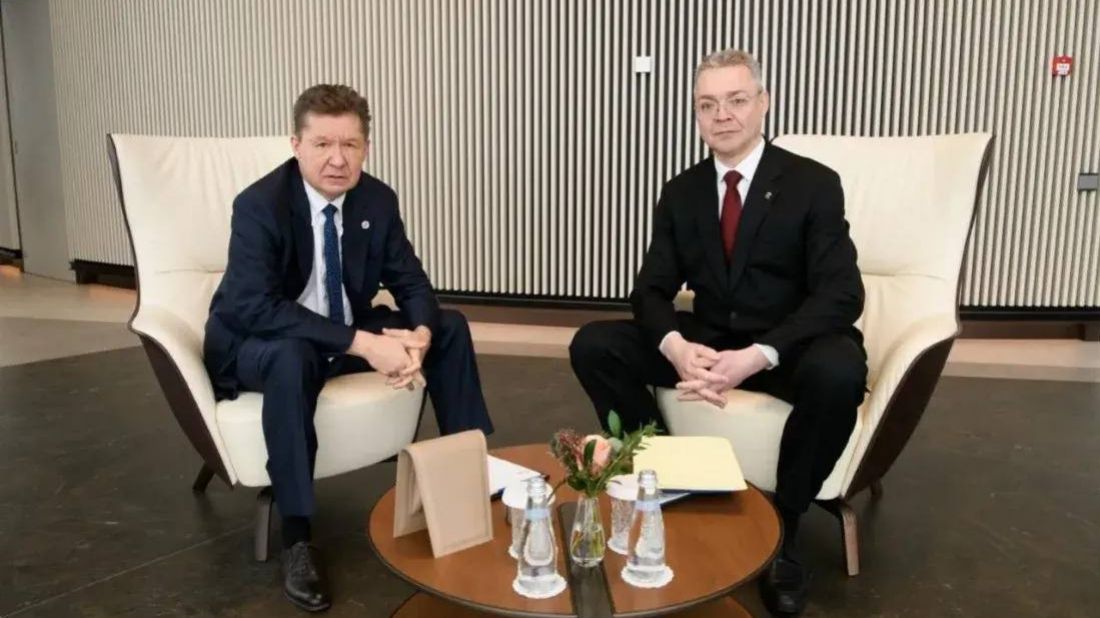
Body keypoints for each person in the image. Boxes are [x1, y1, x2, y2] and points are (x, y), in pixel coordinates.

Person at [569, 49, 866, 616]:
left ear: (763, 103)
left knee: (839, 372)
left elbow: (842, 294)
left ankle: (785, 528)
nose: (722, 115)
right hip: (707, 341)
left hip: (787, 344)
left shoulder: (812, 183)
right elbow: (650, 291)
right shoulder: (682, 191)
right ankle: (663, 479)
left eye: (736, 100)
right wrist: (678, 349)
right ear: (697, 115)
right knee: (596, 344)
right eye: (708, 105)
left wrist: (760, 354)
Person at [203, 84, 494, 612]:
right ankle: (297, 537)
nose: (337, 159)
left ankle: (470, 480)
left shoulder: (376, 200)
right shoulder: (260, 205)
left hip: (337, 330)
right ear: (296, 144)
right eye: (322, 144)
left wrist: (420, 335)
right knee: (293, 355)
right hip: (259, 342)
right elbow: (256, 308)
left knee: (449, 326)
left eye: (350, 145)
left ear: (366, 148)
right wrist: (366, 345)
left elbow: (410, 281)